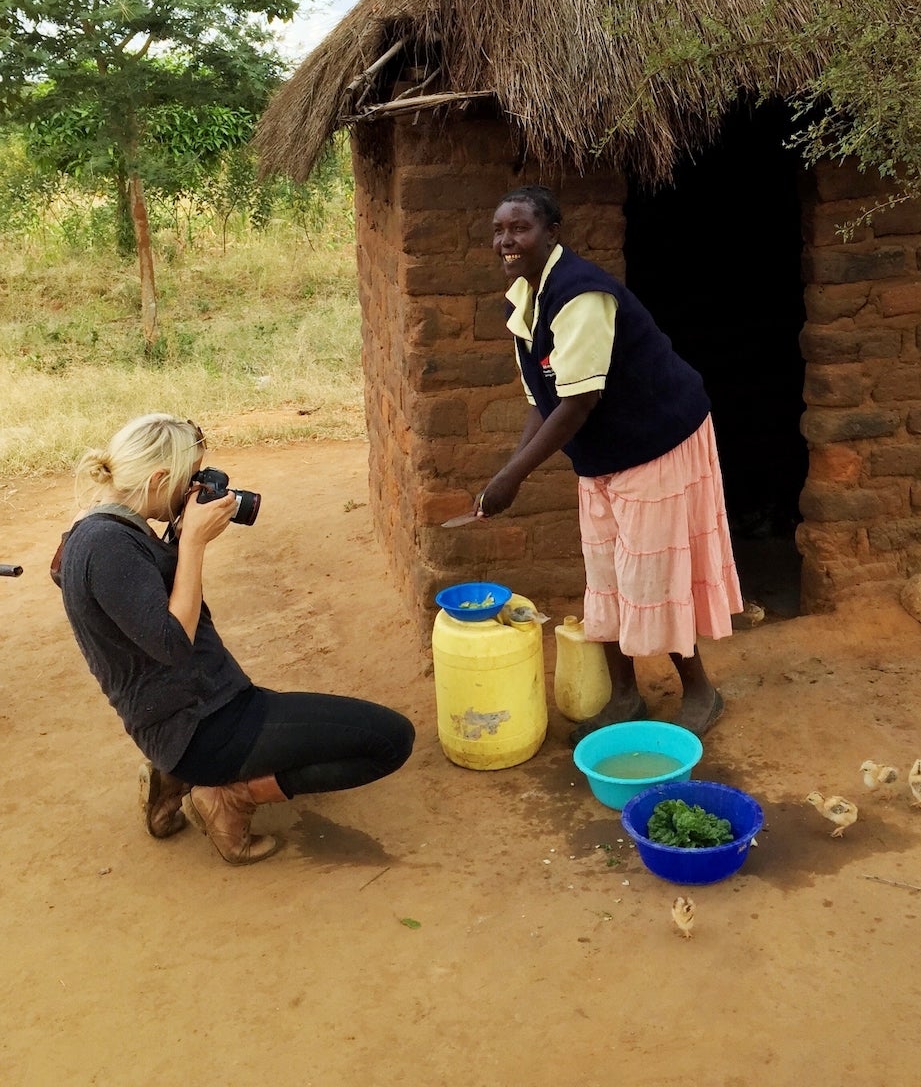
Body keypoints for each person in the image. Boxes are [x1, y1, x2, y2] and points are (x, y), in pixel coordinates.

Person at [59, 414, 414, 866]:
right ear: (160, 478)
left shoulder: (101, 524)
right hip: (203, 726)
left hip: (195, 711)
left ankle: (178, 776)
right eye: (190, 479)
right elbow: (172, 643)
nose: (196, 489)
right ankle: (230, 797)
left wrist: (180, 533)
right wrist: (192, 544)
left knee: (329, 730)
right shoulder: (107, 544)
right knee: (389, 740)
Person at [478, 185, 742, 738]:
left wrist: (513, 477)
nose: (507, 240)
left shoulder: (580, 296)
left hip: (656, 439)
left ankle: (701, 692)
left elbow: (578, 402)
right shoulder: (524, 301)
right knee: (606, 574)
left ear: (552, 233)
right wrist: (509, 471)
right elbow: (542, 400)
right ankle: (625, 695)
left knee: (650, 572)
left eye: (520, 228)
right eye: (500, 229)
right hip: (602, 454)